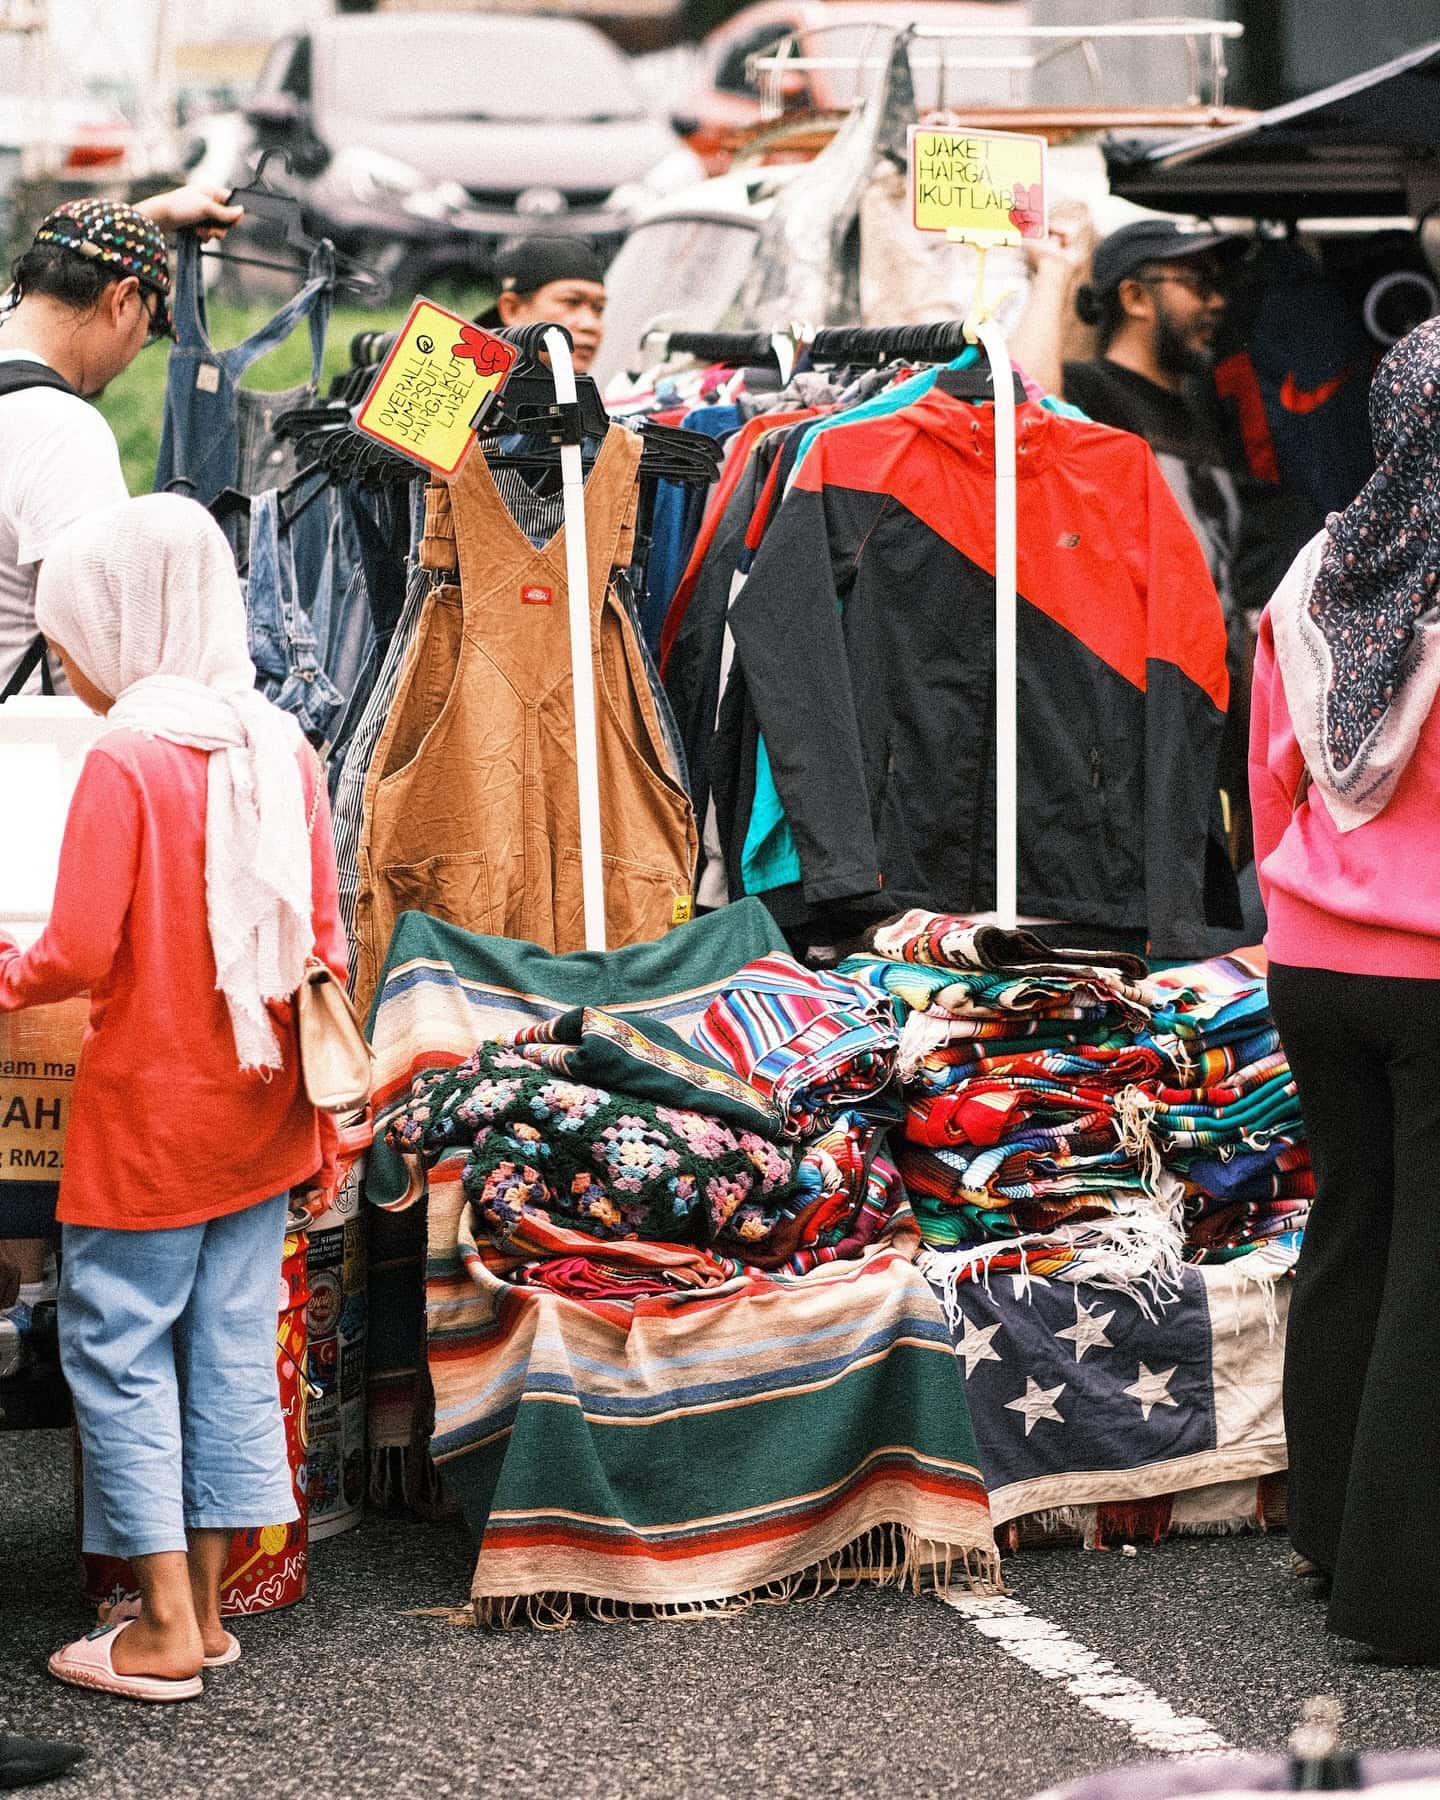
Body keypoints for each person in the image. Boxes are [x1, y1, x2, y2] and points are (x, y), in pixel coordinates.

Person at [0, 493, 346, 1700]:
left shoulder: (129, 759)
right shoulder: (279, 745)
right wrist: (322, 1121)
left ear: (126, 621)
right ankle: (202, 1606)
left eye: (74, 641)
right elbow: (323, 950)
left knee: (118, 1348)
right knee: (229, 1348)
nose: (75, 667)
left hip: (149, 1119)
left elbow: (76, 951)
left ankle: (156, 1629)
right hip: (262, 1112)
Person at [0, 186, 240, 1314]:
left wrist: (149, 213)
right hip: (32, 777)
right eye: (148, 326)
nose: (138, 354)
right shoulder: (61, 430)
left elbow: (65, 252)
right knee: (35, 1079)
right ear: (125, 301)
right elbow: (93, 626)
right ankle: (36, 1298)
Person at [1250, 315, 1440, 1665]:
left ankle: (1326, 1531)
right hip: (1434, 973)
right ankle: (1404, 1592)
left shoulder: (1321, 570)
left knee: (1352, 1229)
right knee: (1432, 1268)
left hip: (1314, 957)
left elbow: (1271, 772)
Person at [1063, 218, 1317, 880]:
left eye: (1216, 284)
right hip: (1133, 706)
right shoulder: (1088, 393)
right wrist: (1053, 270)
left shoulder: (1202, 413)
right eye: (1196, 283)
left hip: (1213, 703)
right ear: (1135, 297)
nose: (1216, 302)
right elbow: (1022, 416)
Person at [475, 235, 607, 375]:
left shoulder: (610, 386)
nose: (590, 325)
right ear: (512, 309)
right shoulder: (467, 383)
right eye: (571, 302)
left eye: (599, 309)